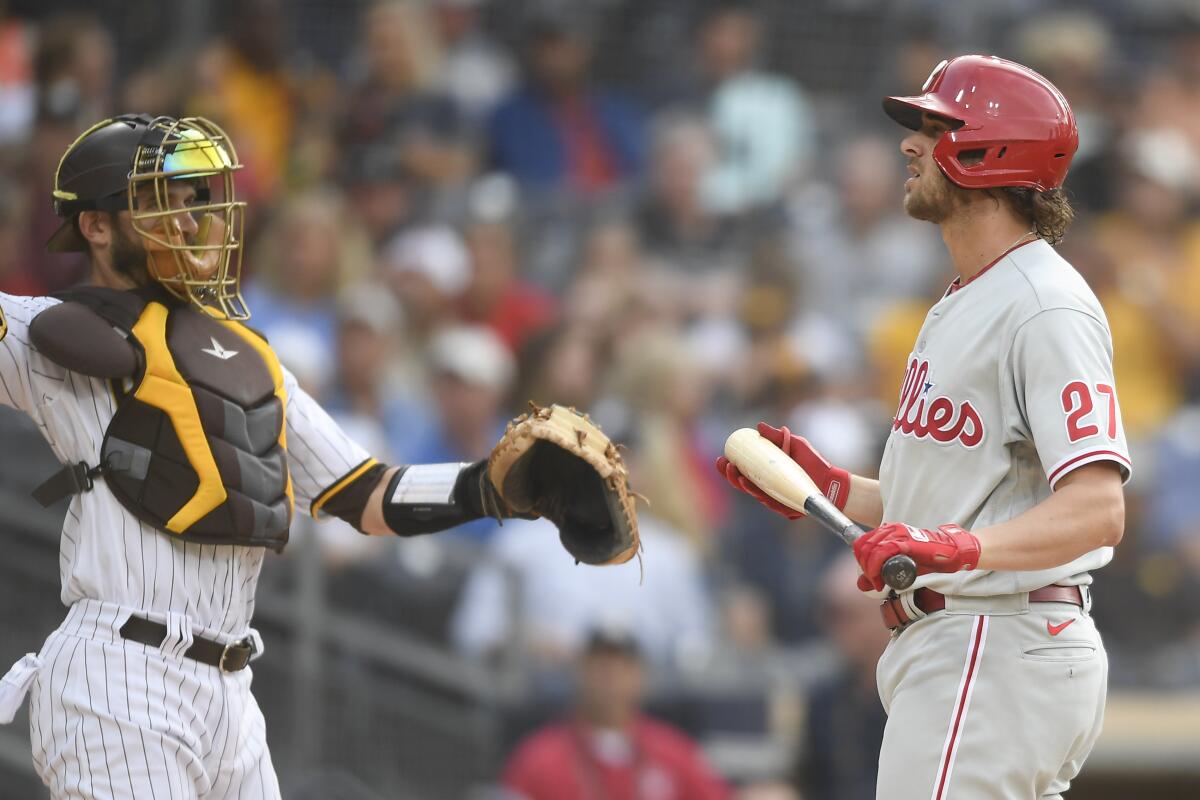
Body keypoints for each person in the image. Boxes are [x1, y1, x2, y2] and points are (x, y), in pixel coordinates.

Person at [0, 113, 578, 798]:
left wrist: (494, 488)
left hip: (230, 692)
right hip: (118, 675)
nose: (188, 220)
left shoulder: (249, 358)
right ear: (97, 226)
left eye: (192, 201)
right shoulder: (46, 334)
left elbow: (366, 494)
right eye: (163, 202)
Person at [719, 56, 1130, 799]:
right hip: (979, 639)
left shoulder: (1044, 305)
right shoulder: (965, 298)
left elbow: (1099, 510)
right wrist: (834, 490)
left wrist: (954, 548)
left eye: (937, 128)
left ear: (989, 154)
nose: (910, 145)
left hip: (993, 635)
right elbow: (960, 503)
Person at [500, 626, 731, 800]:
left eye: (622, 668)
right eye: (600, 666)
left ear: (640, 676)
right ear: (580, 672)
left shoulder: (674, 753)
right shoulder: (539, 758)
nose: (610, 678)